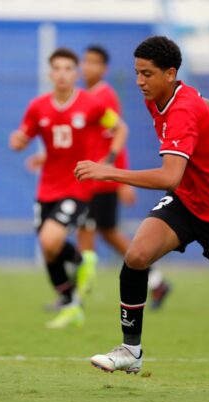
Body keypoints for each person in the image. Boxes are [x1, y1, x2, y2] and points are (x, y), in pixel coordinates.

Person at [75, 36, 209, 396]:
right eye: (136, 73)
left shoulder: (180, 110)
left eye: (146, 74)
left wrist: (108, 172)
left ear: (170, 73)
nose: (139, 81)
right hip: (185, 203)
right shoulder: (163, 96)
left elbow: (168, 176)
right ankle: (131, 350)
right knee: (136, 256)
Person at [9, 48, 128, 329]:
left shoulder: (91, 105)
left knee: (50, 241)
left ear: (76, 73)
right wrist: (18, 142)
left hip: (77, 186)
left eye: (68, 68)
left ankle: (81, 265)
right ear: (50, 73)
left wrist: (108, 159)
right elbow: (24, 136)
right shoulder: (38, 107)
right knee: (48, 249)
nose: (62, 74)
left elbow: (120, 128)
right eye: (57, 68)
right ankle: (71, 300)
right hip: (46, 187)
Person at [77, 44, 171, 309]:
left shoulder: (102, 97)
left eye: (94, 62)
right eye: (85, 61)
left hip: (99, 179)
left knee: (87, 231)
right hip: (94, 177)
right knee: (106, 232)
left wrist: (118, 179)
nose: (87, 67)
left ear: (104, 69)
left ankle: (79, 294)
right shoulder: (88, 95)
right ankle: (156, 280)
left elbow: (119, 135)